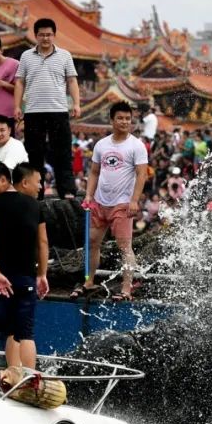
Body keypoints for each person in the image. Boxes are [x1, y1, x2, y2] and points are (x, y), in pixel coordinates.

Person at [0, 161, 48, 370]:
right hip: (26, 277)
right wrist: (42, 274)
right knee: (24, 334)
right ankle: (29, 378)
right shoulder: (35, 206)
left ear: (3, 180)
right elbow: (43, 243)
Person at [79, 102, 148, 301]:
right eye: (120, 118)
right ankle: (89, 281)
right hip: (100, 202)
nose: (124, 122)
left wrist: (134, 201)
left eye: (128, 119)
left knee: (124, 247)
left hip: (123, 203)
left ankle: (126, 289)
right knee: (92, 242)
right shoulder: (101, 144)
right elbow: (94, 172)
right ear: (112, 120)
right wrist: (89, 195)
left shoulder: (136, 145)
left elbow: (141, 175)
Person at [13, 17, 81, 199]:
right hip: (33, 111)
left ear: (54, 35)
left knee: (63, 152)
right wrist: (17, 106)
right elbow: (19, 82)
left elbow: (72, 80)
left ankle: (67, 190)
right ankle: (36, 191)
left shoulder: (65, 55)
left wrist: (76, 103)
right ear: (35, 36)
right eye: (42, 35)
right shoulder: (26, 56)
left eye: (49, 35)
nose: (45, 38)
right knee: (34, 153)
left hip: (58, 110)